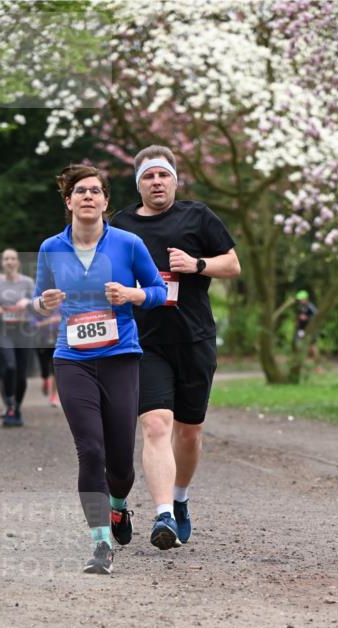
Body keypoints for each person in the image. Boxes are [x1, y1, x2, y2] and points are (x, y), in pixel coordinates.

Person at [33, 163, 166, 574]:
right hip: (72, 358)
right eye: (80, 191)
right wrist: (44, 304)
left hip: (120, 357)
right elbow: (39, 300)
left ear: (106, 201)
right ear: (68, 200)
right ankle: (100, 543)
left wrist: (132, 294)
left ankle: (118, 506)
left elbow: (159, 292)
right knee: (89, 450)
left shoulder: (128, 244)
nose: (88, 196)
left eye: (96, 191)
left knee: (121, 462)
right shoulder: (50, 248)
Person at [111, 145, 240, 550]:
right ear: (139, 184)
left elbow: (233, 265)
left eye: (163, 175)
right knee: (155, 425)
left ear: (174, 179)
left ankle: (180, 498)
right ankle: (163, 513)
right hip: (144, 341)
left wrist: (197, 264)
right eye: (148, 176)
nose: (156, 182)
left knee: (189, 431)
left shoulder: (197, 216)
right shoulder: (122, 225)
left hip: (194, 338)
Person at [0, 248, 35, 427]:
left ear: (18, 262)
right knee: (10, 366)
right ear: (2, 263)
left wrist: (27, 302)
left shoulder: (28, 282)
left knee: (21, 376)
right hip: (3, 331)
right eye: (6, 259)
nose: (10, 262)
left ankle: (17, 408)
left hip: (23, 331)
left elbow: (38, 305)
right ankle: (10, 406)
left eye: (13, 259)